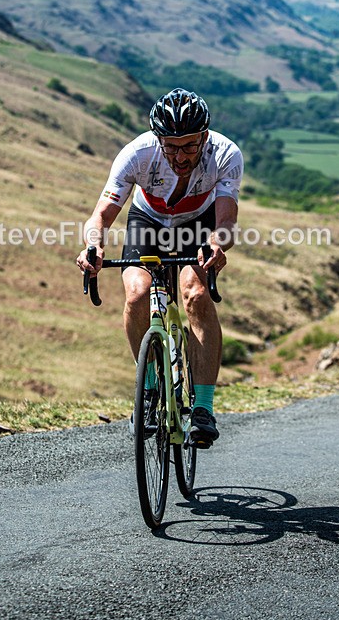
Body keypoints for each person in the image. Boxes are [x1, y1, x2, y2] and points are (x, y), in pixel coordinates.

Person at [76, 88, 243, 447]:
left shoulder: (225, 154)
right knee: (138, 293)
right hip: (148, 220)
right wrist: (94, 245)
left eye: (189, 145)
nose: (180, 156)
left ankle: (203, 407)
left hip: (197, 223)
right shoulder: (137, 154)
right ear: (158, 139)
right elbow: (100, 215)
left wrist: (217, 243)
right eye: (171, 146)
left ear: (204, 136)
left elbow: (226, 220)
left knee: (195, 293)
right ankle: (150, 388)